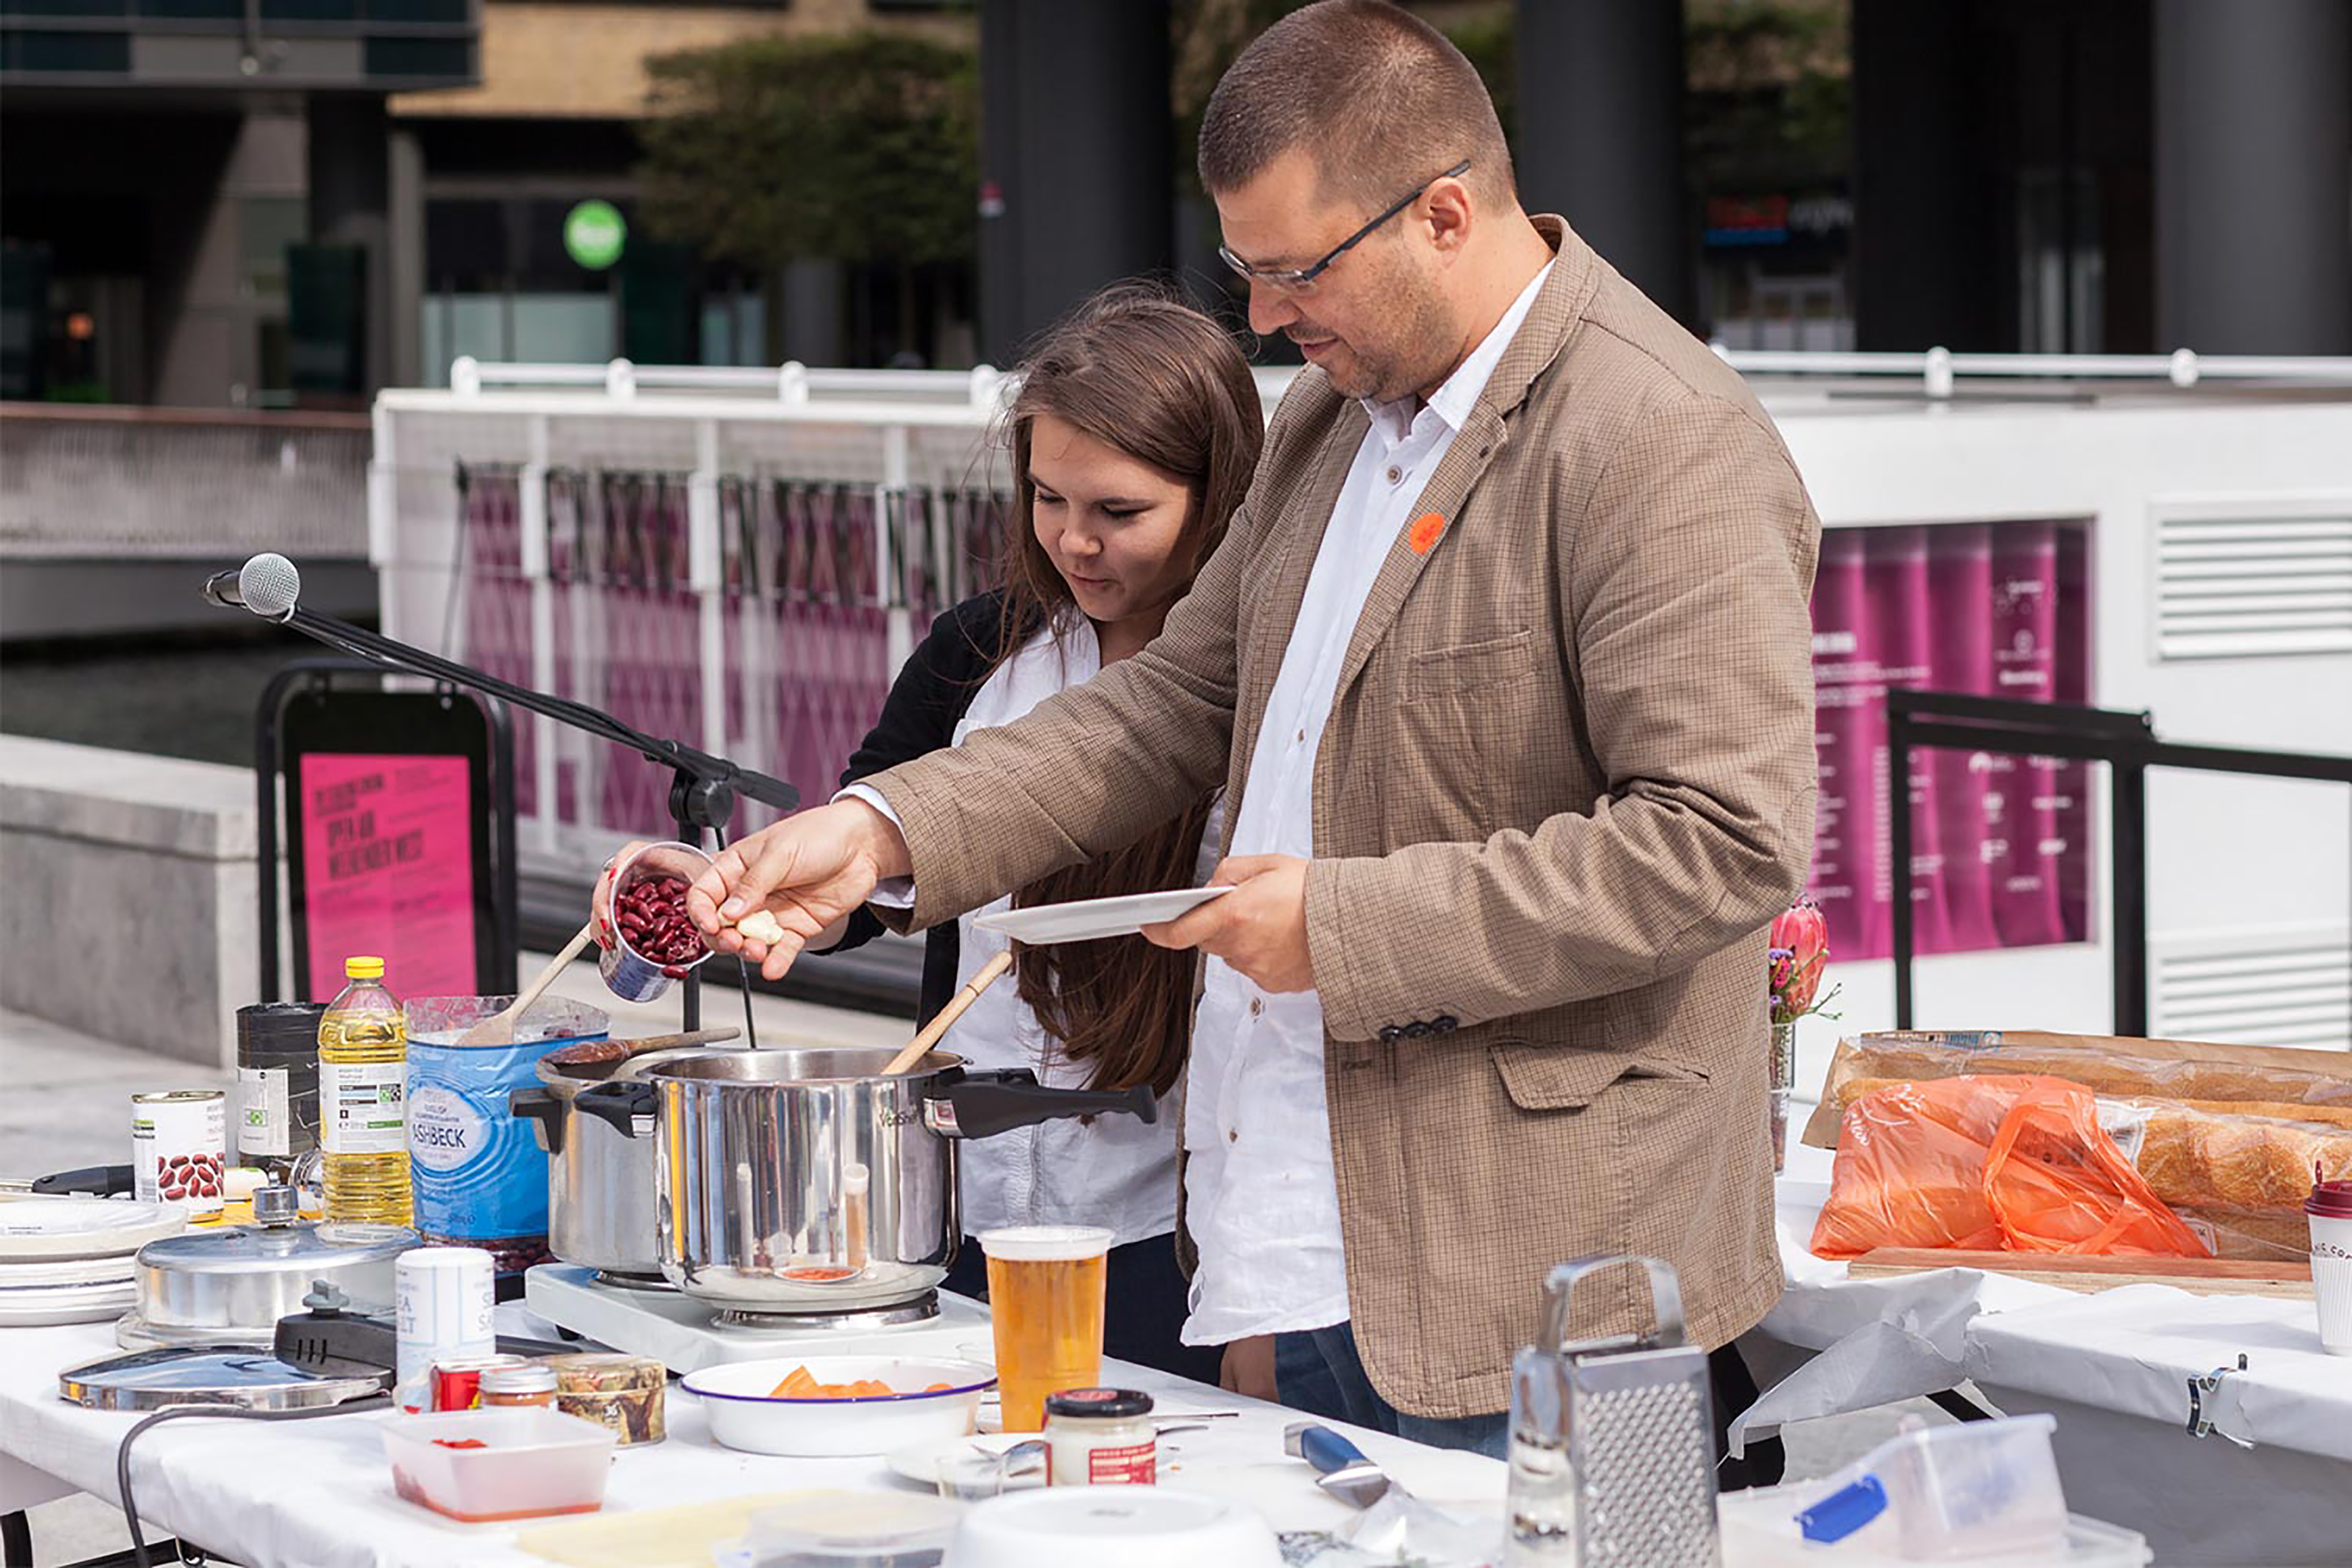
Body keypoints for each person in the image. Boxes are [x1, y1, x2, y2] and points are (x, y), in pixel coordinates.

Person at [690, 0, 1818, 1476]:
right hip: (1288, 1244)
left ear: (1442, 212)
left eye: (1294, 270)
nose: (1267, 316)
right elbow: (1172, 706)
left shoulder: (1657, 432)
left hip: (1543, 1281)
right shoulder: (1330, 420)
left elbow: (1720, 842)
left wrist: (1342, 925)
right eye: (1244, 270)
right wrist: (886, 832)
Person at [818, 285, 1261, 1384]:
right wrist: (758, 889)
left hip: (1179, 1225)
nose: (1074, 541)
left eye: (1120, 511)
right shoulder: (980, 647)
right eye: (1047, 499)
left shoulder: (1271, 679)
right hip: (961, 1207)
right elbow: (868, 862)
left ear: (1221, 499)